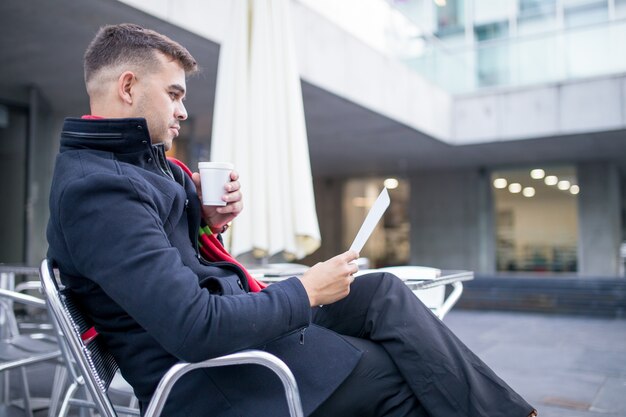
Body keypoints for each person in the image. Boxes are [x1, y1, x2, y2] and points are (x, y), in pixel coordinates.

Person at [47, 23, 536, 417]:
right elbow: (194, 326)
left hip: (235, 346)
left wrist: (207, 221)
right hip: (212, 382)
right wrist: (306, 291)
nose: (182, 110)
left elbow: (168, 261)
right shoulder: (102, 191)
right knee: (397, 373)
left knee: (381, 294)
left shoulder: (134, 167)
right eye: (174, 94)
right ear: (128, 87)